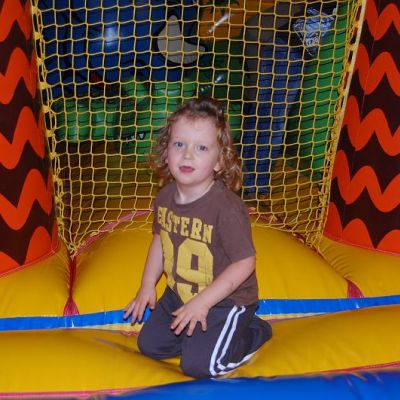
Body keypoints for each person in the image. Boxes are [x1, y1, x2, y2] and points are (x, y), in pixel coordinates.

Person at [124, 97, 272, 378]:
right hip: (180, 294)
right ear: (166, 152)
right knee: (150, 346)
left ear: (219, 161)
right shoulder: (165, 197)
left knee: (200, 366)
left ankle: (253, 331)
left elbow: (245, 262)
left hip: (223, 300)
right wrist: (147, 285)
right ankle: (200, 336)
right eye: (179, 144)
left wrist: (203, 303)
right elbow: (160, 240)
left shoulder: (226, 209)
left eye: (201, 148)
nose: (187, 155)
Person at [242, 0, 337, 198]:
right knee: (272, 120)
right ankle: (254, 187)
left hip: (287, 48)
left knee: (264, 117)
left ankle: (241, 178)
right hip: (289, 50)